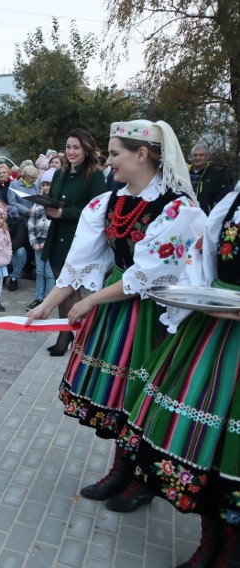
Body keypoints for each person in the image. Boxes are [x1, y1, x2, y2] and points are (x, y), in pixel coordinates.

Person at [25, 120, 206, 511]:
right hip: (120, 308)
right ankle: (121, 470)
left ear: (142, 154)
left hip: (156, 312)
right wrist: (43, 305)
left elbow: (149, 273)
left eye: (115, 153)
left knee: (147, 394)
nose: (109, 161)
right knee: (124, 395)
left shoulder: (178, 208)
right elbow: (79, 263)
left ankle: (143, 481)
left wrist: (90, 301)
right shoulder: (109, 202)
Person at [122, 191, 240, 567]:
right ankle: (210, 541)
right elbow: (204, 259)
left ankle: (232, 550)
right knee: (203, 443)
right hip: (214, 323)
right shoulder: (234, 200)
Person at [41, 128, 107, 356]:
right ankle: (64, 332)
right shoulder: (60, 173)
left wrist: (64, 214)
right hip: (57, 237)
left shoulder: (95, 175)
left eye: (76, 147)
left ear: (86, 149)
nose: (71, 151)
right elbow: (56, 202)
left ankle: (80, 336)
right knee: (62, 287)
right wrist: (49, 208)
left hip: (77, 239)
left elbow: (97, 211)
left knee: (72, 289)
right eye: (68, 147)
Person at [26, 169, 55, 310]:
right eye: (43, 184)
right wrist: (34, 242)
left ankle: (48, 300)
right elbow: (31, 223)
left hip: (50, 245)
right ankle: (38, 298)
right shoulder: (37, 202)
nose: (45, 187)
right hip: (37, 244)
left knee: (49, 272)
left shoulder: (56, 203)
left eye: (48, 184)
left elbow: (55, 226)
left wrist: (46, 243)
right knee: (39, 271)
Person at [188, 143, 231, 214]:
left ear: (207, 157)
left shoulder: (217, 174)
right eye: (195, 155)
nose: (197, 158)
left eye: (201, 155)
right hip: (185, 213)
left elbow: (223, 196)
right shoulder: (184, 172)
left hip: (206, 215)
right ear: (191, 157)